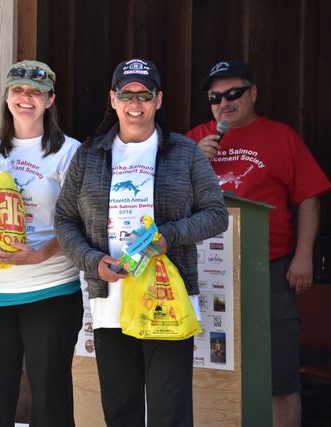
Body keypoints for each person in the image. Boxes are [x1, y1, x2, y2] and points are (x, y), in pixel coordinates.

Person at [55, 58, 229, 427]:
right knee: (121, 411)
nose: (135, 103)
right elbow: (65, 220)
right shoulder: (89, 155)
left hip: (168, 300)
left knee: (169, 411)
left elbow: (216, 214)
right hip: (111, 304)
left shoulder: (185, 152)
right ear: (113, 99)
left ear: (158, 100)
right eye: (126, 94)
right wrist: (92, 260)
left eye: (145, 95)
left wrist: (170, 236)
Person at [187, 59, 331, 427]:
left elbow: (309, 198)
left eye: (234, 93)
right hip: (206, 272)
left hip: (270, 268)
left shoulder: (281, 137)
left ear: (253, 93)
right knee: (207, 366)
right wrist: (191, 164)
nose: (224, 103)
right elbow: (164, 203)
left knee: (278, 372)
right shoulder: (193, 140)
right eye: (215, 98)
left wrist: (303, 255)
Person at [0, 60, 82, 427]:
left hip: (50, 289)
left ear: (50, 100)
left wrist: (40, 253)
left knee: (51, 402)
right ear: (7, 96)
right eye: (18, 90)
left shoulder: (69, 151)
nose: (26, 97)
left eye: (36, 91)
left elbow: (81, 222)